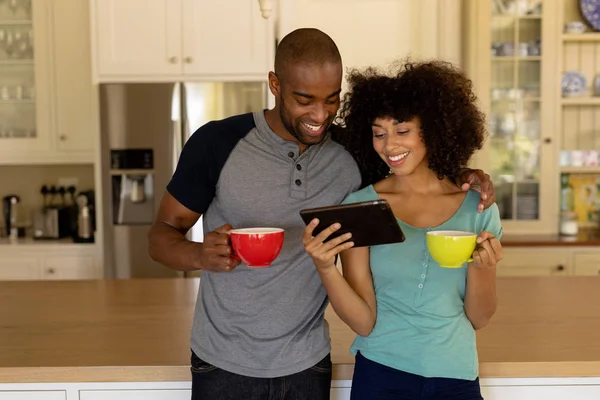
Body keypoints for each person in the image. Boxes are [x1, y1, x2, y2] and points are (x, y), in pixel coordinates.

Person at [148, 28, 496, 400]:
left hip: (308, 362)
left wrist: (461, 175)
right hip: (222, 361)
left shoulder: (353, 152)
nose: (320, 114)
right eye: (304, 99)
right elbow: (161, 235)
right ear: (275, 84)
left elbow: (411, 170)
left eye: (332, 100)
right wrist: (199, 254)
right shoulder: (217, 143)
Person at [303, 59, 504, 400]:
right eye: (378, 133)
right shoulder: (362, 207)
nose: (389, 145)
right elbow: (364, 321)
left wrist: (483, 269)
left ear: (433, 129)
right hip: (381, 375)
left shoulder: (478, 207)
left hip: (456, 377)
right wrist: (326, 267)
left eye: (402, 130)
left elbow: (479, 317)